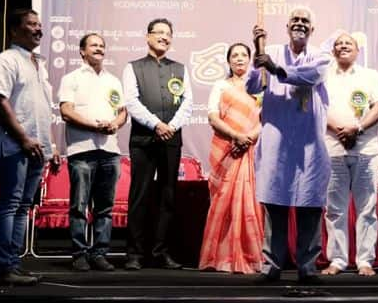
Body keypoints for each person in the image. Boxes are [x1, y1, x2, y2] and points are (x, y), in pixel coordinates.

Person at [248, 6, 332, 285]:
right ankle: (271, 265)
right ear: (287, 26)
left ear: (312, 28)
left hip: (309, 143)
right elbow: (252, 87)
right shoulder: (269, 49)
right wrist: (256, 56)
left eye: (305, 20)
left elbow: (308, 76)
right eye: (295, 20)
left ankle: (307, 266)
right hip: (277, 141)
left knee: (309, 206)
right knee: (275, 204)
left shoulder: (320, 55)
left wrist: (273, 67)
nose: (300, 24)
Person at [0, 8, 60, 285]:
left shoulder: (37, 63)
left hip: (36, 148)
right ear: (15, 30)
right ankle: (4, 267)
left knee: (24, 206)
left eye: (40, 24)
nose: (39, 29)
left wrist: (51, 146)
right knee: (11, 203)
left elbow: (42, 109)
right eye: (31, 25)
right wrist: (23, 138)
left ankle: (13, 265)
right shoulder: (5, 61)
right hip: (15, 146)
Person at [122, 18, 193, 270]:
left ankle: (161, 251)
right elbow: (131, 102)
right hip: (143, 140)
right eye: (159, 32)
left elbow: (187, 102)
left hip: (171, 139)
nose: (164, 36)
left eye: (168, 33)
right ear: (148, 37)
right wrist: (156, 124)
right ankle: (134, 254)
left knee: (167, 196)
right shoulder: (133, 67)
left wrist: (171, 127)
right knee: (139, 195)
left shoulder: (180, 69)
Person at [58, 33, 127, 272]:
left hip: (110, 151)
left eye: (102, 46)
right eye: (93, 45)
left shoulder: (114, 80)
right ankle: (79, 254)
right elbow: (66, 111)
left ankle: (99, 254)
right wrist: (93, 126)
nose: (99, 49)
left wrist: (115, 124)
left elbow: (122, 112)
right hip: (82, 151)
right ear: (82, 51)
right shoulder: (71, 78)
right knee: (79, 206)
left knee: (105, 208)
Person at [321, 33, 378, 277]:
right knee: (335, 209)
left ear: (358, 50)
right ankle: (337, 260)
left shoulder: (370, 75)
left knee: (367, 208)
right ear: (333, 51)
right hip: (333, 149)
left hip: (366, 150)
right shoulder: (324, 76)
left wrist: (356, 128)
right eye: (338, 43)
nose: (342, 46)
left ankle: (364, 261)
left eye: (348, 43)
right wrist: (340, 130)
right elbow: (319, 109)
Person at [198, 42, 264, 274]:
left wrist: (247, 139)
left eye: (243, 55)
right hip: (225, 149)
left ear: (250, 59)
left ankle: (249, 255)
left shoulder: (258, 87)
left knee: (249, 201)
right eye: (234, 55)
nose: (239, 59)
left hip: (251, 151)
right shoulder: (220, 85)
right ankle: (219, 257)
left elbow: (266, 119)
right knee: (223, 199)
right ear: (228, 61)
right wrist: (237, 136)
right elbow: (213, 117)